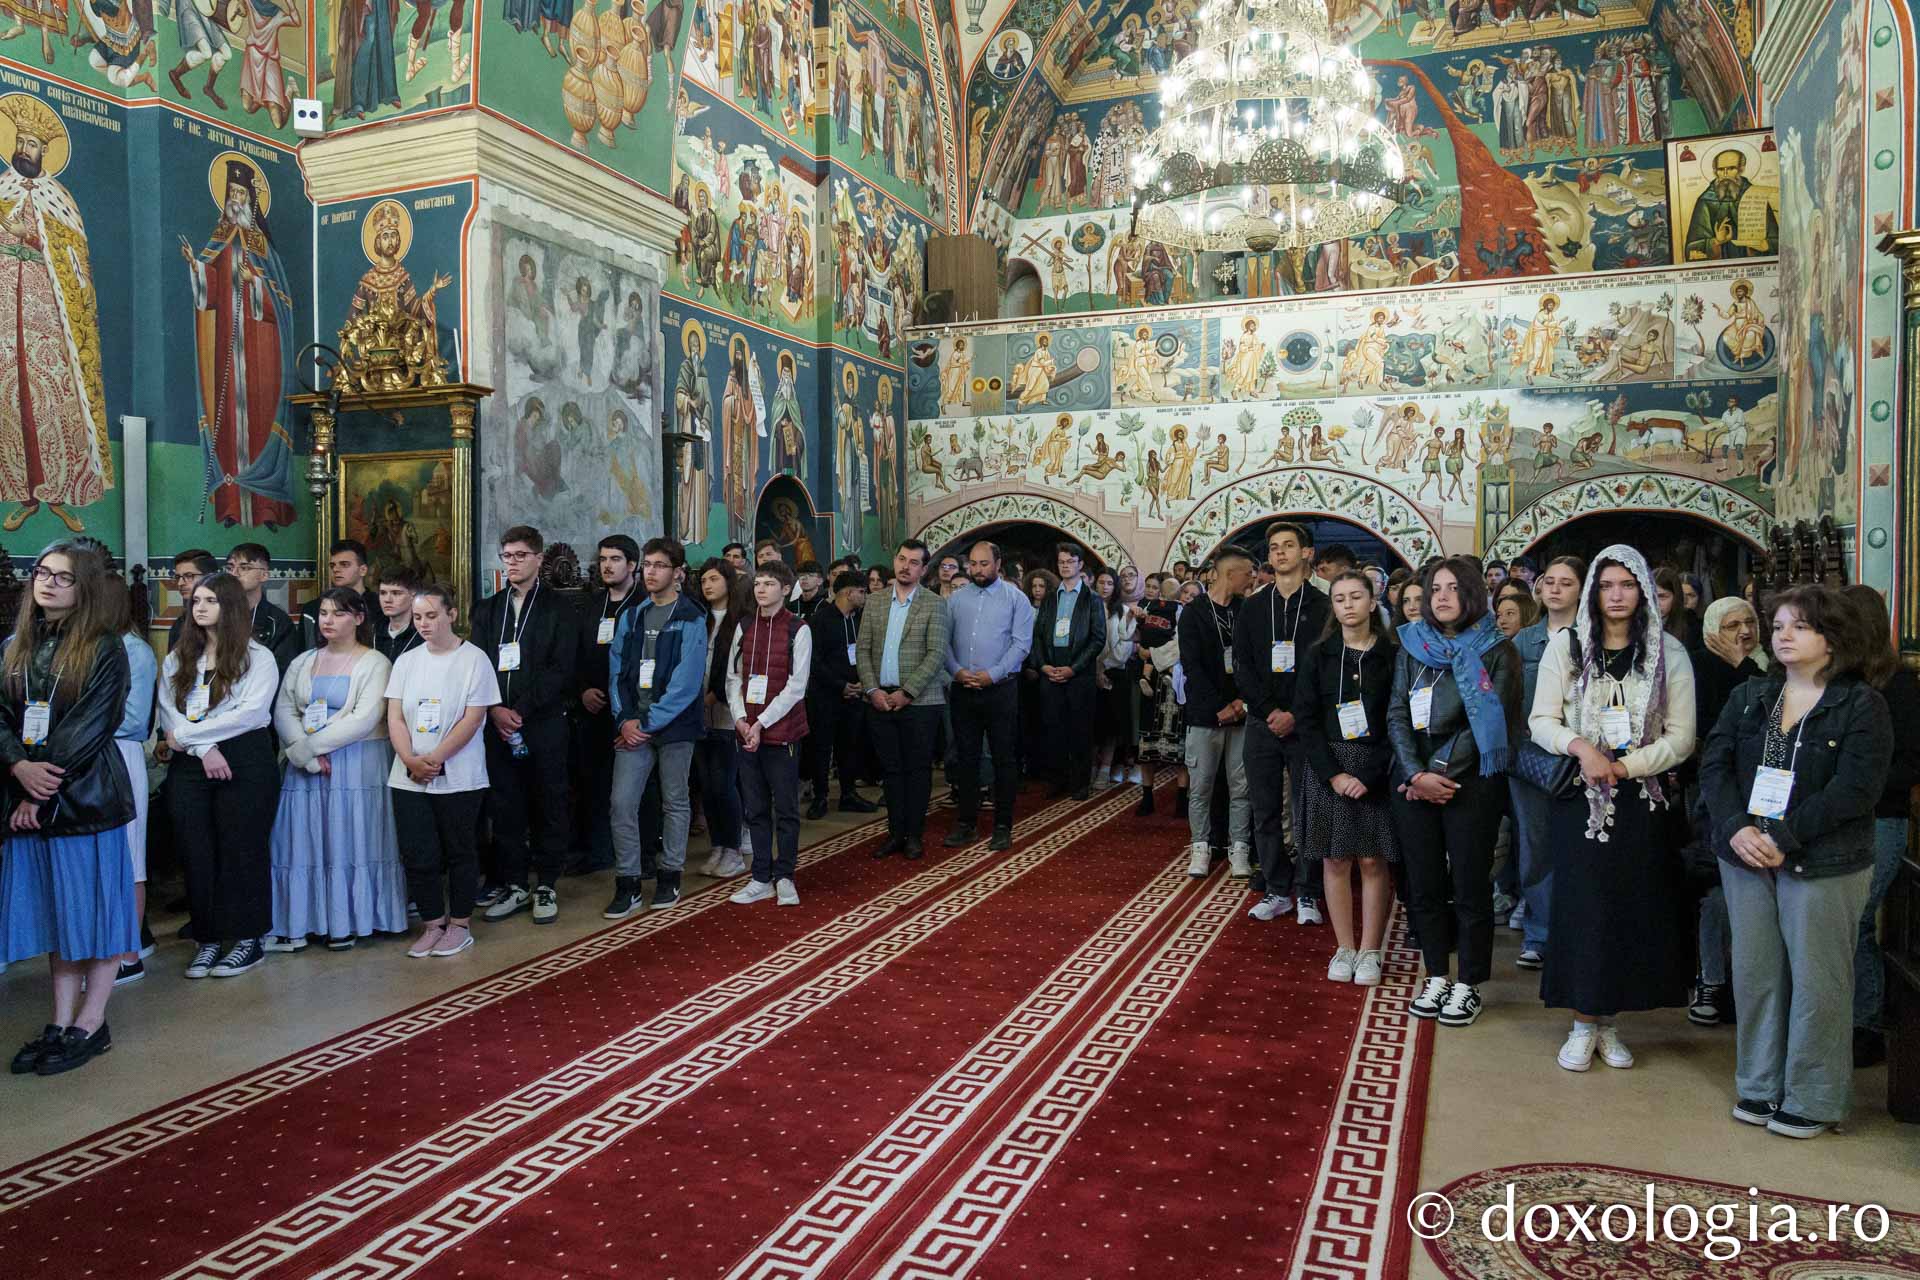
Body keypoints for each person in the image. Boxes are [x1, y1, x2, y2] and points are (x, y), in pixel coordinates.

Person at [1701, 585, 1891, 1138]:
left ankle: (1813, 1096)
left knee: (1818, 981)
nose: (1782, 635)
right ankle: (1759, 1085)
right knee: (1757, 974)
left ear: (1832, 640)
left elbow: (1856, 789)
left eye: (1799, 627)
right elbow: (1713, 766)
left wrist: (1783, 835)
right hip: (1745, 856)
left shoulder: (1860, 704)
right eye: (1779, 625)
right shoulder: (1751, 696)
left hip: (1824, 859)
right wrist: (1737, 828)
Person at [1528, 547, 1697, 1071]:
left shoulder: (1669, 653)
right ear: (1594, 593)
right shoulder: (1567, 646)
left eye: (1628, 584)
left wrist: (1626, 767)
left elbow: (1682, 736)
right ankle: (1582, 1023)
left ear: (1643, 591)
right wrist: (1584, 749)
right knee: (1584, 909)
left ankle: (1610, 1023)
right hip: (1580, 799)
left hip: (1642, 798)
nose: (1618, 594)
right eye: (1608, 585)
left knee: (1628, 908)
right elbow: (1541, 719)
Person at [1, 542, 137, 1075]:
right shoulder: (15, 645)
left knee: (96, 914)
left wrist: (38, 787)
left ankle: (92, 1020)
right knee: (60, 918)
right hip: (26, 798)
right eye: (42, 573)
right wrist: (16, 769)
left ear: (85, 589)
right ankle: (59, 1020)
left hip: (83, 801)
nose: (49, 583)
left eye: (63, 577)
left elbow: (88, 728)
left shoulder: (105, 648)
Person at [1389, 558, 1523, 1028]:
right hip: (1413, 782)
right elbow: (1396, 714)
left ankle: (1468, 982)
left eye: (1453, 588)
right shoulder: (1411, 645)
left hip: (1469, 784)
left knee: (1469, 886)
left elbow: (1491, 719)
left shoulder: (1496, 649)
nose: (1442, 596)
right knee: (1423, 884)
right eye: (1435, 589)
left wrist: (1438, 772)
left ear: (1472, 594)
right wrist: (1413, 771)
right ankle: (1436, 975)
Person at [266, 587, 405, 952]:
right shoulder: (303, 661)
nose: (328, 620)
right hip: (308, 768)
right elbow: (284, 709)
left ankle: (351, 921)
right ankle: (303, 922)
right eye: (324, 613)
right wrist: (304, 756)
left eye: (338, 613)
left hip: (356, 763)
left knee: (351, 840)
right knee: (304, 843)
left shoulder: (375, 663)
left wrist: (309, 748)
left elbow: (364, 718)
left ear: (358, 619)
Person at [157, 571, 281, 979]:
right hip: (193, 761)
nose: (201, 608)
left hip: (245, 758)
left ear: (229, 607)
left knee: (241, 847)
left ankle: (248, 938)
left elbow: (252, 714)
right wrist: (203, 748)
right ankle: (207, 939)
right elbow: (168, 710)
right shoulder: (178, 657)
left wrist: (190, 737)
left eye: (210, 600)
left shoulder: (256, 655)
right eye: (196, 602)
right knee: (196, 851)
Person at [1292, 570, 1398, 987]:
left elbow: (1398, 718)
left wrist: (1368, 775)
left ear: (1373, 603)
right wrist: (1333, 774)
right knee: (1335, 858)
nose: (1349, 604)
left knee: (1372, 859)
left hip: (1375, 765)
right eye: (1340, 598)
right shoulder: (1319, 654)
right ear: (1333, 607)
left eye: (1357, 597)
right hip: (1328, 766)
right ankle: (1344, 947)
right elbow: (1306, 719)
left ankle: (1370, 949)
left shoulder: (1392, 654)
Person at [471, 527, 579, 925]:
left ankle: (547, 882)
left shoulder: (560, 609)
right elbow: (479, 665)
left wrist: (521, 709)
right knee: (506, 805)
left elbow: (561, 668)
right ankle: (515, 883)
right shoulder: (488, 609)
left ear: (538, 559)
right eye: (507, 556)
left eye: (520, 555)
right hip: (497, 725)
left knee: (548, 802)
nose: (512, 563)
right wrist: (497, 709)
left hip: (543, 722)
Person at [386, 584, 499, 960]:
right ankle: (432, 923)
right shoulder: (407, 661)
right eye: (418, 617)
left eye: (432, 616)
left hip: (458, 773)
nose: (424, 624)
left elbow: (472, 718)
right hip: (409, 774)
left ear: (452, 614)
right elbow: (395, 716)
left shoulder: (474, 659)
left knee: (459, 851)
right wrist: (410, 759)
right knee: (419, 853)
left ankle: (460, 924)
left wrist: (434, 759)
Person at [605, 538, 707, 915]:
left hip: (673, 727)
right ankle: (628, 881)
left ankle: (670, 874)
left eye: (659, 565)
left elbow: (686, 683)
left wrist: (646, 722)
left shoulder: (692, 618)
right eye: (647, 564)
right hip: (633, 725)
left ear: (678, 572)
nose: (650, 572)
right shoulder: (632, 616)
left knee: (675, 801)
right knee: (621, 803)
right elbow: (616, 671)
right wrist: (624, 718)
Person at [1840, 585, 1920, 1068]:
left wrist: (1854, 781)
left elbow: (1909, 762)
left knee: (1858, 920)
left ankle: (1865, 1024)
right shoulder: (1839, 681)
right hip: (1839, 821)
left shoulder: (1899, 686)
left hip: (1880, 818)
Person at [1237, 522, 1332, 916]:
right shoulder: (1254, 606)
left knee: (1308, 808)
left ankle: (1308, 890)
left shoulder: (1324, 606)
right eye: (1274, 547)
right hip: (1262, 722)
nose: (1280, 553)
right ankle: (1277, 889)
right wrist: (1269, 711)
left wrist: (1295, 713)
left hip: (1306, 724)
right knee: (1264, 809)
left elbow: (1326, 670)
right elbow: (1242, 667)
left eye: (1288, 546)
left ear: (1306, 553)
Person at [1687, 595, 1765, 1026]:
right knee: (1714, 892)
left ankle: (1745, 989)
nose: (1744, 632)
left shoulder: (1772, 667)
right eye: (1733, 624)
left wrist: (1747, 664)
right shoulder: (1701, 665)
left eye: (1750, 622)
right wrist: (1740, 665)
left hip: (1765, 801)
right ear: (1714, 629)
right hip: (1714, 792)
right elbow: (1714, 728)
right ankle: (1712, 980)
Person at [1506, 555, 1583, 969]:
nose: (1554, 589)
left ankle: (1577, 933)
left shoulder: (1592, 640)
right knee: (1535, 848)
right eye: (1548, 581)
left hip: (1581, 759)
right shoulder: (1523, 641)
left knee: (1579, 849)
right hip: (1532, 762)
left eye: (1565, 583)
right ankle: (1539, 932)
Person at [858, 539, 950, 860]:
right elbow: (863, 650)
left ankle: (914, 834)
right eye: (901, 559)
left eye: (913, 562)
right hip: (880, 699)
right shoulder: (876, 602)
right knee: (891, 770)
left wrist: (906, 692)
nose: (905, 566)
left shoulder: (935, 604)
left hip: (920, 703)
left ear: (924, 570)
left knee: (917, 770)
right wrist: (873, 690)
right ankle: (894, 833)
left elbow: (936, 653)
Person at [726, 560, 812, 905]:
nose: (760, 589)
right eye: (758, 583)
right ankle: (761, 876)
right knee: (755, 807)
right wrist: (740, 720)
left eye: (769, 584)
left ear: (786, 590)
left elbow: (797, 686)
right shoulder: (744, 625)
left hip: (782, 731)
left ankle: (785, 875)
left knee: (786, 808)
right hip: (747, 731)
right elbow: (733, 677)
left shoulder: (798, 628)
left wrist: (762, 723)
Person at [945, 540, 1034, 851]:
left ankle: (1002, 825)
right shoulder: (956, 600)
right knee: (966, 758)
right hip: (963, 687)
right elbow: (943, 641)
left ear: (998, 564)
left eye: (984, 564)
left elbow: (1022, 645)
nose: (978, 570)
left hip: (1000, 689)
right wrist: (956, 670)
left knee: (1003, 759)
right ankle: (966, 823)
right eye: (973, 564)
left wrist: (992, 674)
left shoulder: (1016, 599)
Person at [1179, 547, 1253, 877]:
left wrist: (1241, 703)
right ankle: (1200, 847)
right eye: (1247, 572)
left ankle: (1239, 848)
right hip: (1204, 715)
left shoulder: (1246, 610)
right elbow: (1192, 666)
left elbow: (1253, 662)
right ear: (1229, 574)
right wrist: (1218, 707)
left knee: (1241, 787)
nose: (1251, 578)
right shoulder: (1194, 612)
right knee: (1202, 786)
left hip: (1240, 714)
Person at [572, 536, 645, 875]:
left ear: (632, 565)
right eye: (603, 559)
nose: (607, 565)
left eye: (615, 559)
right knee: (594, 783)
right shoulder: (591, 605)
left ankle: (643, 856)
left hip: (631, 713)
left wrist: (630, 711)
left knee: (636, 789)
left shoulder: (644, 605)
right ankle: (599, 851)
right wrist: (584, 689)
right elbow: (574, 655)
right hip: (593, 709)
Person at [1028, 543, 1106, 800]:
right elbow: (1037, 636)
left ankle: (1080, 782)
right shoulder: (1051, 597)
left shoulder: (1092, 599)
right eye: (1061, 561)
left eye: (1070, 561)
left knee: (1080, 729)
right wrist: (1043, 665)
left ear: (1080, 565)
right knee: (1053, 728)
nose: (1065, 565)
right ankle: (1057, 779)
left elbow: (1097, 639)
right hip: (1051, 668)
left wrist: (1073, 668)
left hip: (1078, 671)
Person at [693, 557, 749, 879]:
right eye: (703, 581)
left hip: (727, 714)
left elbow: (736, 668)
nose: (708, 585)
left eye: (714, 579)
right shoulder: (700, 619)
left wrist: (714, 694)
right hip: (698, 714)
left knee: (724, 783)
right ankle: (719, 846)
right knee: (707, 783)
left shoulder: (740, 621)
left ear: (728, 581)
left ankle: (734, 850)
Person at [805, 571, 876, 819]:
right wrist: (840, 685)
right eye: (861, 591)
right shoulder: (821, 620)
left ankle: (848, 794)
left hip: (855, 694)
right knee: (822, 748)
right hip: (825, 696)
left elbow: (865, 653)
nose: (864, 596)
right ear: (848, 592)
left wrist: (860, 683)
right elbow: (814, 662)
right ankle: (820, 797)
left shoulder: (860, 619)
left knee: (850, 746)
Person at [221, 544, 302, 673]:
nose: (234, 574)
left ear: (264, 575)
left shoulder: (278, 622)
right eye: (230, 568)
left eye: (244, 567)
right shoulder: (216, 613)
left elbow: (282, 671)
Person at [1092, 570, 1137, 793]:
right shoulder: (1088, 608)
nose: (1105, 587)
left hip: (1115, 674)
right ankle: (1090, 767)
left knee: (1111, 726)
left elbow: (1123, 649)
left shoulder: (1125, 611)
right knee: (1091, 726)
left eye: (1110, 583)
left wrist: (1105, 667)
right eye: (1101, 582)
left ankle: (1105, 769)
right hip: (1088, 673)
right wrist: (1095, 668)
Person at [298, 539, 374, 647]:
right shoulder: (312, 609)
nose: (336, 569)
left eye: (344, 564)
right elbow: (304, 652)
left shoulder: (379, 607)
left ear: (363, 570)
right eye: (332, 565)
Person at [373, 569, 423, 664]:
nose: (387, 600)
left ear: (413, 595)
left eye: (396, 593)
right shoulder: (373, 631)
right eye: (383, 593)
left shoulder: (422, 634)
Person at [1654, 565, 1694, 647]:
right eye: (1651, 597)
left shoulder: (1693, 628)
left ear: (1676, 597)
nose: (1655, 603)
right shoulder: (1635, 625)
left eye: (1662, 597)